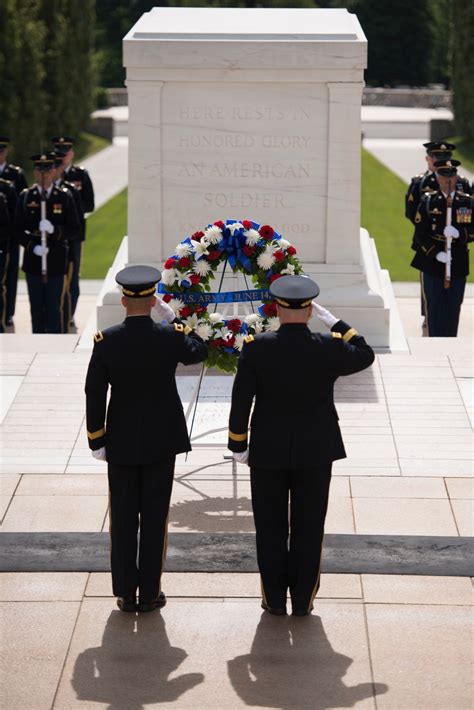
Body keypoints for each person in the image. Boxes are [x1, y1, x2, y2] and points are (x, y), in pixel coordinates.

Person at [227, 275, 375, 617]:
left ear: (277, 309)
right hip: (316, 449)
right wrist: (336, 322)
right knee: (309, 528)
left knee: (269, 526)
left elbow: (241, 400)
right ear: (310, 310)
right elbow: (365, 354)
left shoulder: (256, 346)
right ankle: (304, 600)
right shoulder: (330, 346)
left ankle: (274, 599)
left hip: (267, 449)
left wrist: (239, 443)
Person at [85, 265, 208, 613]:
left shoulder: (106, 340)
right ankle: (150, 592)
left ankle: (125, 592)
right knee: (155, 518)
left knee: (123, 517)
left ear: (123, 301)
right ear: (153, 300)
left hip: (121, 440)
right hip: (161, 440)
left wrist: (97, 438)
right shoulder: (169, 337)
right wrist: (175, 321)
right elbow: (199, 351)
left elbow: (94, 392)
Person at [405, 141, 471, 329]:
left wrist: (459, 234)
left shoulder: (463, 185)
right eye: (437, 158)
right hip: (429, 242)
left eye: (446, 158)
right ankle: (430, 317)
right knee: (431, 292)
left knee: (452, 299)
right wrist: (431, 233)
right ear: (429, 159)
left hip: (456, 247)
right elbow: (413, 212)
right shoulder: (422, 183)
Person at [14, 152, 80, 333]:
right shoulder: (27, 197)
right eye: (39, 170)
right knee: (36, 307)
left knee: (54, 306)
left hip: (56, 259)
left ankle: (54, 342)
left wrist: (54, 230)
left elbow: (74, 228)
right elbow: (17, 230)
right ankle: (38, 341)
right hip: (34, 260)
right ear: (35, 173)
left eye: (47, 170)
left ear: (53, 171)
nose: (43, 175)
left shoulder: (64, 197)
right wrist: (32, 246)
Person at [52, 135, 95, 326]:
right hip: (55, 234)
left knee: (73, 274)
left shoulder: (80, 174)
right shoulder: (52, 176)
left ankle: (69, 313)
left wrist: (72, 210)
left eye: (65, 152)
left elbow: (89, 204)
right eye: (59, 153)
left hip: (75, 234)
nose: (62, 156)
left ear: (72, 153)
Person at [52, 152, 84, 332]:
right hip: (51, 248)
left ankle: (68, 315)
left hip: (68, 246)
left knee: (69, 284)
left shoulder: (69, 191)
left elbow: (76, 223)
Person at [0, 136, 28, 326]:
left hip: (9, 236)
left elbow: (23, 205)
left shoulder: (15, 175)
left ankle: (7, 312)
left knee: (9, 276)